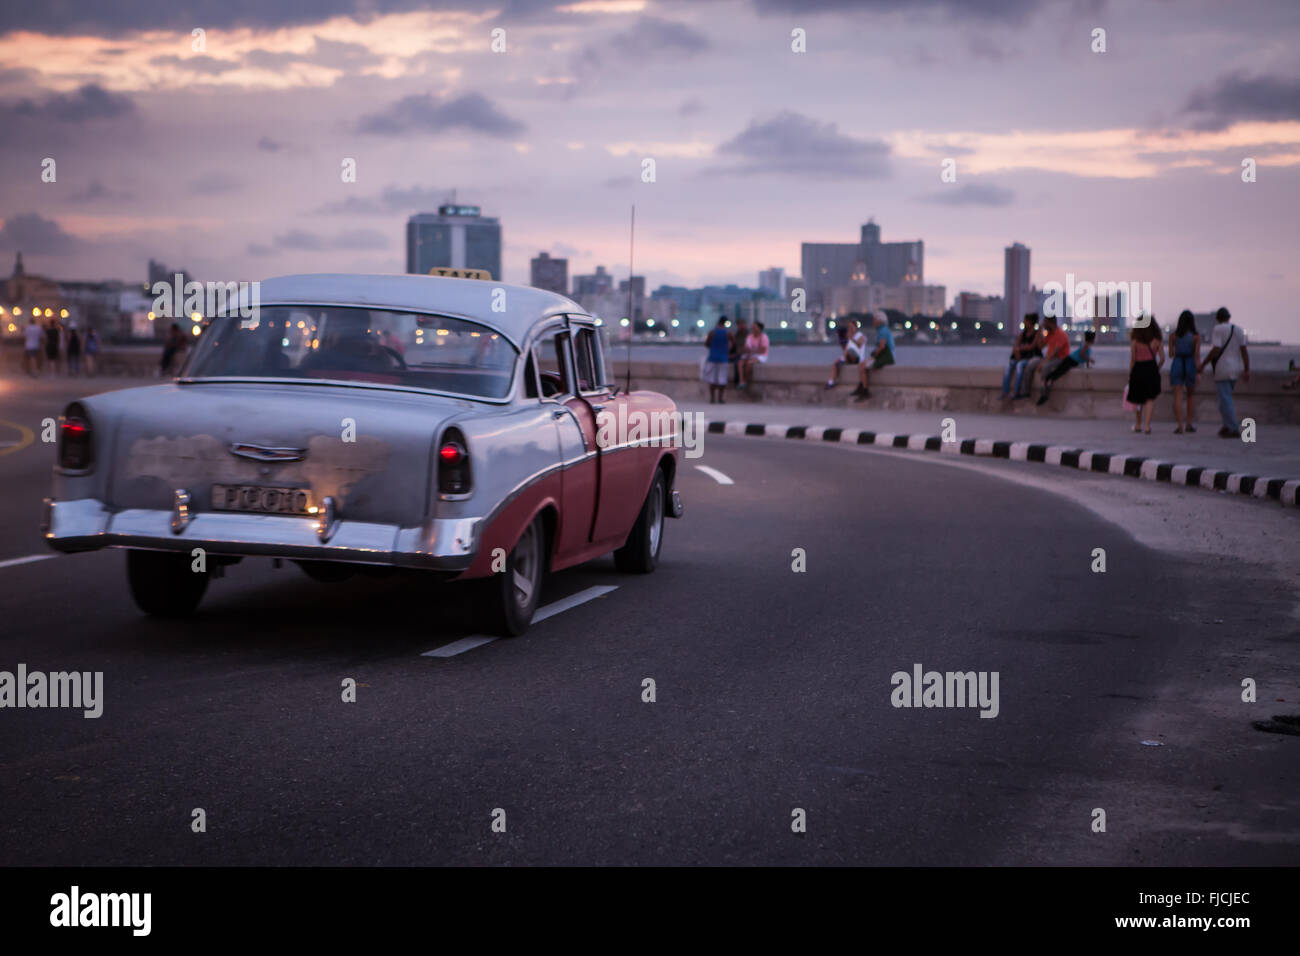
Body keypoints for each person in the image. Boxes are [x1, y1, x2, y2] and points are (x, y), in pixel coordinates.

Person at [1198, 306, 1250, 438]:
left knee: (1225, 400)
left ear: (1217, 318)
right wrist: (1246, 369)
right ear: (1229, 317)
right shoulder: (1239, 330)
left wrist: (1203, 364)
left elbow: (1216, 349)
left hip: (1222, 368)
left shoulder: (1218, 329)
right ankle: (1227, 425)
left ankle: (1232, 427)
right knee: (1226, 399)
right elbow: (1244, 351)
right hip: (1235, 369)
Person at [1036, 330, 1094, 405]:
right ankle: (1048, 380)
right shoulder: (1086, 345)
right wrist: (1090, 360)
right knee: (1060, 371)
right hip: (1071, 360)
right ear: (1092, 339)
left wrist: (1088, 365)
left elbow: (1085, 356)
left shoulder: (1086, 345)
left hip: (1071, 360)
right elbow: (1082, 354)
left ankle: (1048, 379)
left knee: (1060, 370)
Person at [1127, 315, 1164, 433]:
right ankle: (1147, 426)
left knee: (1138, 398)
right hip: (1151, 368)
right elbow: (1162, 359)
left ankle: (1138, 425)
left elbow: (1133, 360)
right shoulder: (1156, 341)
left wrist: (1131, 374)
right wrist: (1156, 369)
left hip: (1138, 369)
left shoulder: (1135, 341)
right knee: (1149, 398)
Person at [1168, 310, 1201, 433]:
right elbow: (1197, 356)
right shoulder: (1195, 337)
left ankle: (1179, 425)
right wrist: (1198, 372)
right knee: (1190, 396)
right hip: (1190, 364)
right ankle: (1188, 424)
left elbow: (1171, 354)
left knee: (1177, 396)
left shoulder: (1173, 336)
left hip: (1177, 363)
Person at [853, 310, 896, 401]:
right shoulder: (883, 329)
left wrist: (873, 356)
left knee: (863, 366)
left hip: (885, 357)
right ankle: (862, 386)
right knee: (862, 365)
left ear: (879, 321)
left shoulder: (882, 331)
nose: (873, 321)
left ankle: (865, 390)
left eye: (875, 319)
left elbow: (882, 346)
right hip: (884, 355)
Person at [1025, 314, 1070, 398]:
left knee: (1045, 367)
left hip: (1060, 359)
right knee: (1031, 363)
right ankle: (1026, 392)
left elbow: (1055, 353)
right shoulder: (1049, 334)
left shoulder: (1061, 334)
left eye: (1045, 322)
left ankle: (1044, 394)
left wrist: (1042, 364)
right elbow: (1040, 346)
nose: (1043, 324)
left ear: (1050, 323)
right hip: (1049, 358)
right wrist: (1039, 332)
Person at [1001, 313, 1040, 400]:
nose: (1024, 323)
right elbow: (1016, 346)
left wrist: (1020, 348)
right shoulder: (1022, 334)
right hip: (1020, 357)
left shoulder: (1037, 334)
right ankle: (1005, 392)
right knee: (1008, 366)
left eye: (1026, 321)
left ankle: (1016, 392)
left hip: (1030, 358)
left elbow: (1032, 347)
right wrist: (1018, 350)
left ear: (1030, 322)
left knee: (1020, 365)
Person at [825, 318, 867, 390]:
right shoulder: (848, 336)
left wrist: (851, 338)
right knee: (835, 363)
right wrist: (843, 340)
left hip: (858, 358)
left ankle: (843, 359)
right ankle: (830, 382)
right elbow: (845, 349)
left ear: (856, 327)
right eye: (849, 327)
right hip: (849, 357)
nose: (850, 329)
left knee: (849, 351)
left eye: (851, 327)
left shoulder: (860, 336)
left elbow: (859, 344)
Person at [701, 316, 730, 404]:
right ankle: (721, 398)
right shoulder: (728, 333)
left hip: (712, 357)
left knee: (711, 379)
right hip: (724, 358)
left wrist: (714, 347)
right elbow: (733, 344)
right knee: (722, 379)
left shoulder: (712, 332)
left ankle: (712, 398)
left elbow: (706, 344)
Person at [738, 320, 770, 388]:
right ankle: (741, 381)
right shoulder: (750, 336)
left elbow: (762, 350)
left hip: (761, 356)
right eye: (752, 327)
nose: (753, 329)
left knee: (749, 363)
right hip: (751, 354)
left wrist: (752, 351)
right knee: (740, 363)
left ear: (759, 328)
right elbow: (746, 347)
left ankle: (746, 381)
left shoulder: (764, 337)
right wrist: (748, 351)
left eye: (755, 327)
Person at [729, 317, 749, 386]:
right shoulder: (737, 334)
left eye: (741, 324)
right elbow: (733, 344)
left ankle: (738, 382)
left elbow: (747, 348)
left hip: (743, 354)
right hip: (737, 354)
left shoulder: (749, 335)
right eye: (738, 325)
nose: (740, 326)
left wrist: (736, 354)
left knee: (737, 363)